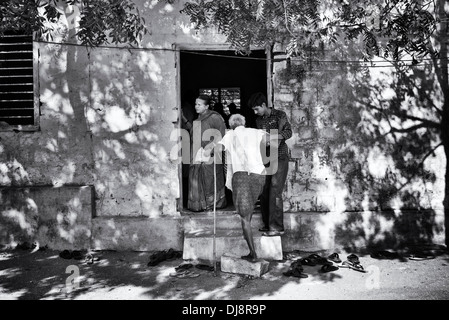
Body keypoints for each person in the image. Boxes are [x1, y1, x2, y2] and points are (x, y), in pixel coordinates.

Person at [216, 114, 268, 261]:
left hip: (242, 177)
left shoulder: (230, 134)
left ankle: (253, 254)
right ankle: (251, 252)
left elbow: (219, 149)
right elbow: (271, 141)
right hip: (259, 176)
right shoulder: (255, 132)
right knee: (248, 214)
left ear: (231, 125)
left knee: (245, 219)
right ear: (243, 123)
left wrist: (211, 148)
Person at [248, 92, 292, 237]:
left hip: (280, 157)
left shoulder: (280, 115)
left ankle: (277, 227)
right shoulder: (258, 120)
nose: (255, 112)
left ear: (263, 105)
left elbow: (288, 133)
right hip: (266, 159)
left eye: (257, 109)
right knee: (265, 191)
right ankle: (268, 225)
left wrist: (272, 137)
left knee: (275, 190)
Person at [187, 94, 227, 212]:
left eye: (199, 104)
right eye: (195, 104)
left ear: (207, 106)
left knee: (210, 179)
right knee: (196, 178)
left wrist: (210, 148)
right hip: (197, 154)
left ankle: (212, 204)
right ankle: (200, 205)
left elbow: (221, 135)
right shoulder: (198, 118)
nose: (196, 106)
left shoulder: (215, 117)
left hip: (210, 154)